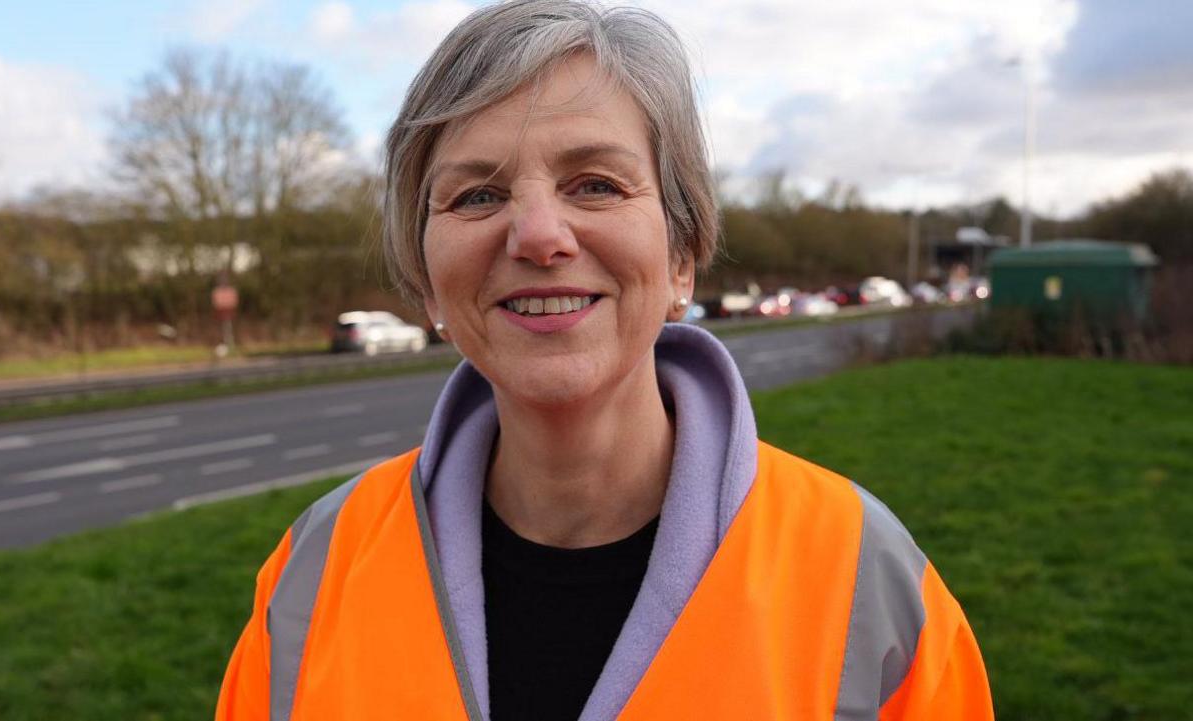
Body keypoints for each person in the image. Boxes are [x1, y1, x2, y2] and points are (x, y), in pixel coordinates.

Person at [216, 1, 994, 719]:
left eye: (594, 183)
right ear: (428, 286)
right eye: (477, 196)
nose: (538, 234)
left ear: (682, 257)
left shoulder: (868, 581)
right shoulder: (312, 572)